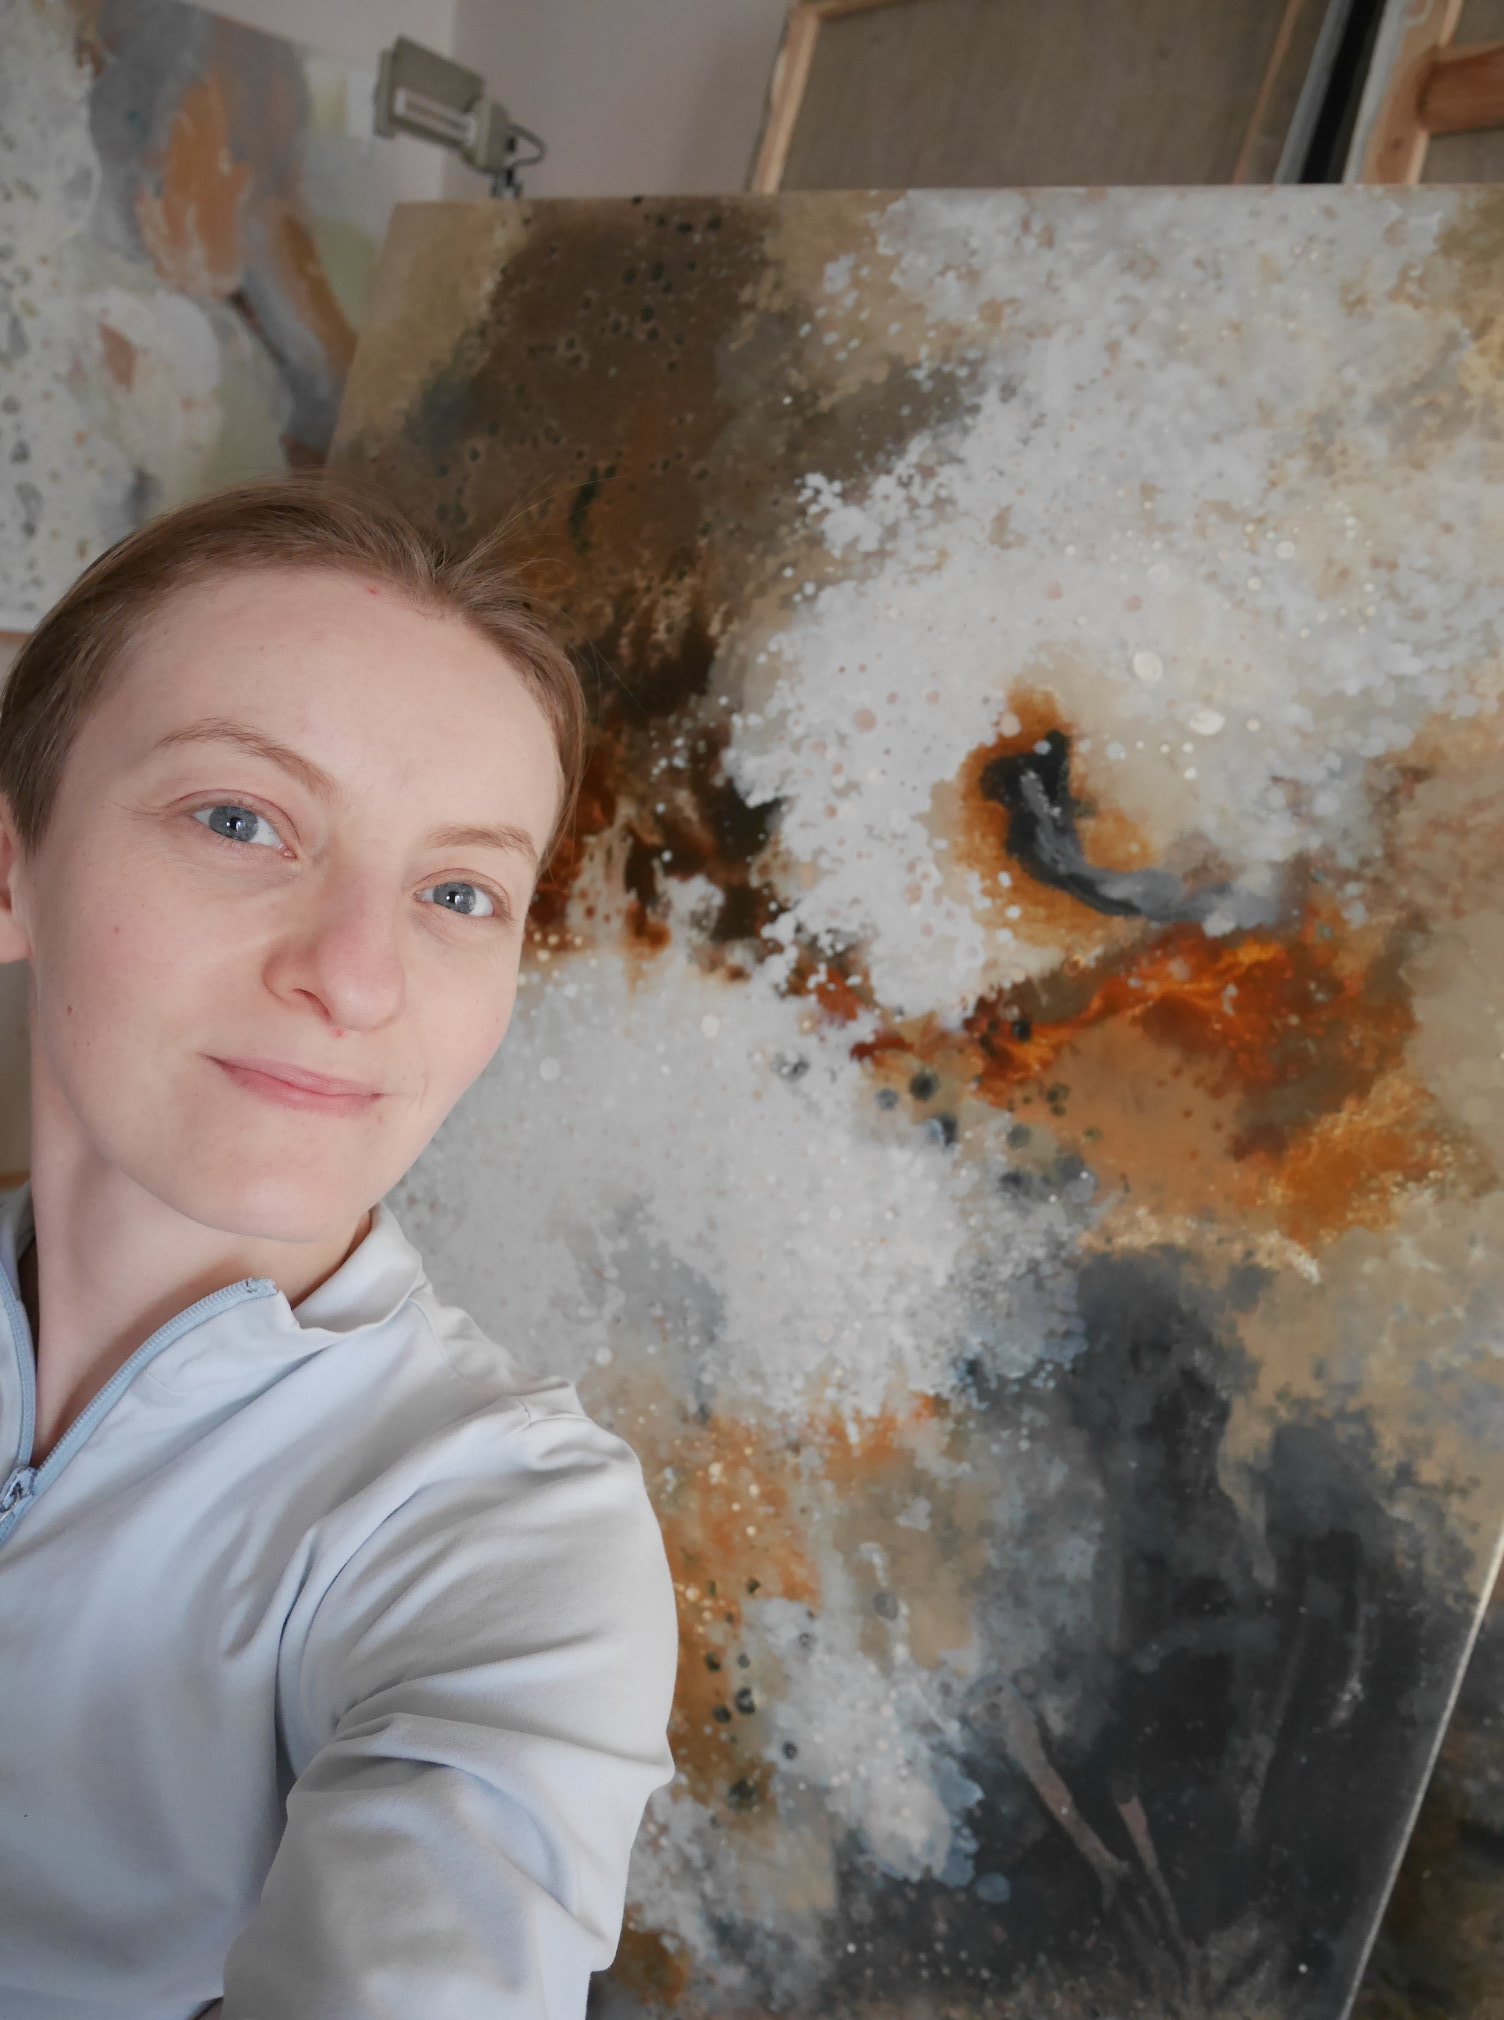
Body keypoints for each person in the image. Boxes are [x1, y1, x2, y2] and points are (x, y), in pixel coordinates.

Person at [0, 477, 680, 2019]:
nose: (357, 976)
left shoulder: (505, 1530)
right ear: (13, 863)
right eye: (242, 821)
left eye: (459, 892)